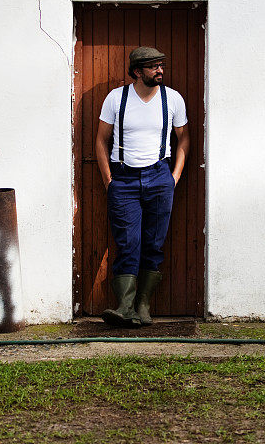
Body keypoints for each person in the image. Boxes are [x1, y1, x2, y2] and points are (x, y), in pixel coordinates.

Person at [95, 46, 190, 327]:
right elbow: (101, 140)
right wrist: (108, 181)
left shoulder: (172, 99)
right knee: (128, 243)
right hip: (122, 179)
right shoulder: (116, 98)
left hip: (160, 177)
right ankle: (125, 307)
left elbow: (183, 139)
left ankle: (143, 306)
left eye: (161, 65)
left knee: (154, 243)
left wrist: (174, 177)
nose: (160, 70)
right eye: (153, 66)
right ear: (137, 71)